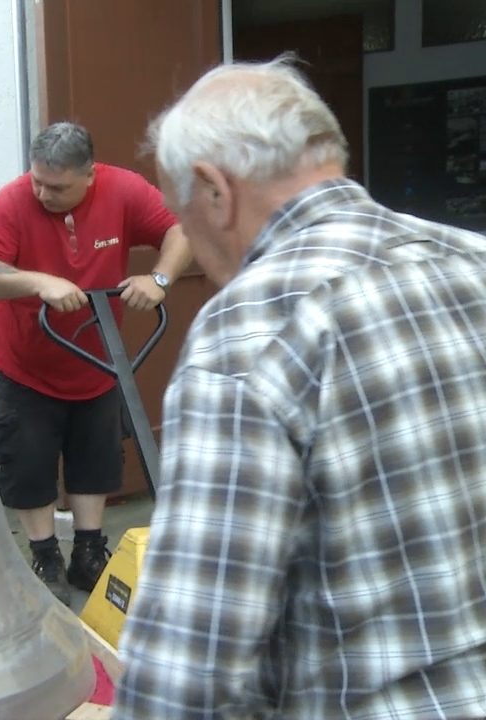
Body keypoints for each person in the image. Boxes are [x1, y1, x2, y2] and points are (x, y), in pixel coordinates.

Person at [114, 56, 486, 718]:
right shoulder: (473, 258)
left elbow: (189, 670)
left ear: (215, 191)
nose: (192, 243)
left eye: (182, 215)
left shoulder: (250, 329)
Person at [0, 122, 192, 603]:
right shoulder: (11, 202)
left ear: (90, 175)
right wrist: (38, 282)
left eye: (58, 187)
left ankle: (89, 553)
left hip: (97, 359)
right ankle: (45, 554)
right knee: (28, 461)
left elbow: (179, 229)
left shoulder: (124, 190)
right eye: (38, 182)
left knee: (97, 456)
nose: (44, 194)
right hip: (23, 363)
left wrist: (160, 279)